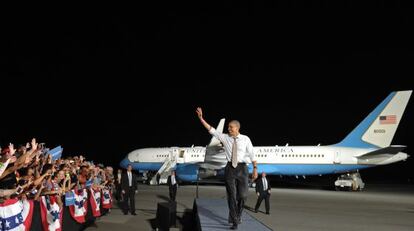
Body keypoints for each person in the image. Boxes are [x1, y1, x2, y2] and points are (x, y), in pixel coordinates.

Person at [196, 107, 258, 230]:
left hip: (242, 168)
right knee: (231, 196)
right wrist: (201, 118)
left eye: (231, 127)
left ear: (237, 128)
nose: (228, 129)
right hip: (230, 168)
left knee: (243, 195)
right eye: (228, 127)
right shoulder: (224, 137)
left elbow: (252, 154)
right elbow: (211, 129)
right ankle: (234, 221)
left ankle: (238, 214)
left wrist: (255, 168)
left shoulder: (246, 139)